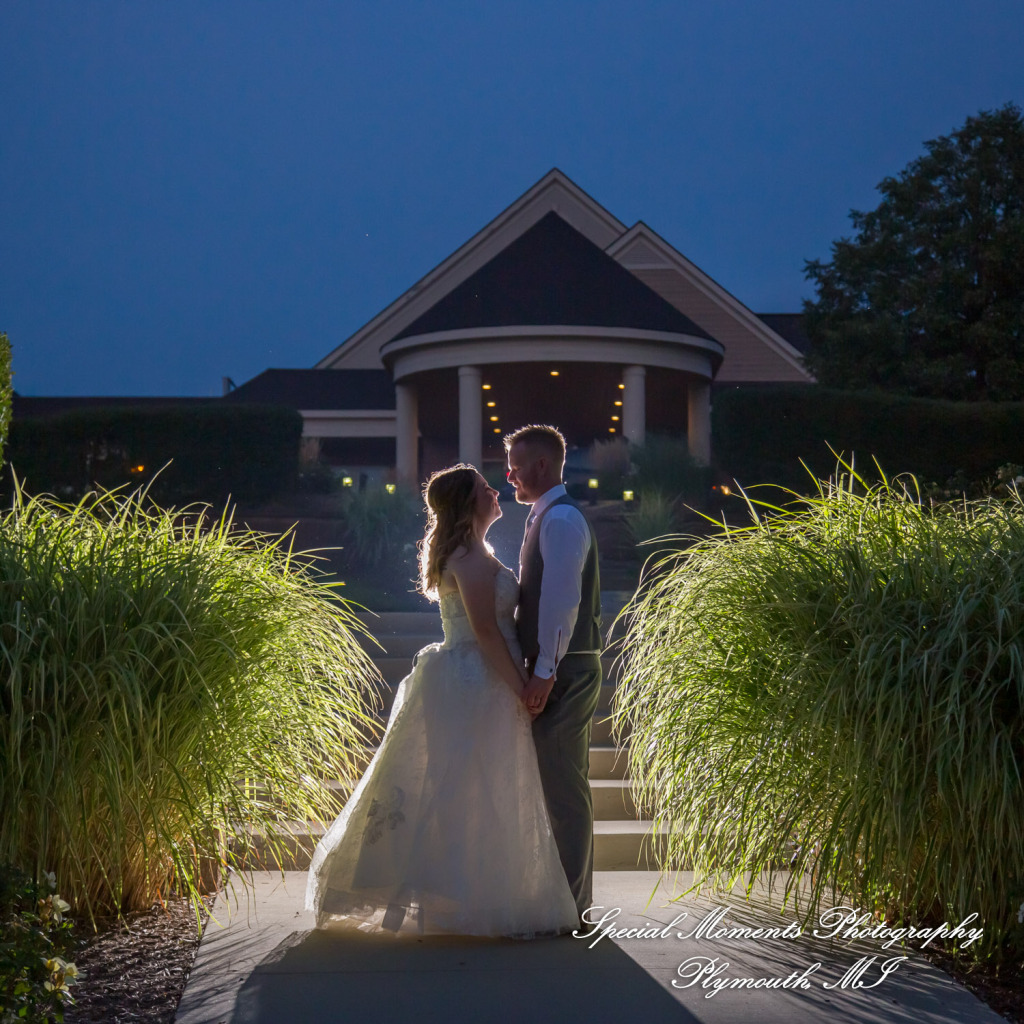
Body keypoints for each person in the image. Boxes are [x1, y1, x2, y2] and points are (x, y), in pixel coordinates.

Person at [304, 464, 579, 938]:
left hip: (484, 676)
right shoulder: (468, 555)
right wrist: (522, 686)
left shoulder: (477, 549)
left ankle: (469, 897)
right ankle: (463, 900)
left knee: (480, 788)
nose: (496, 492)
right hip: (476, 679)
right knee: (470, 787)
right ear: (468, 503)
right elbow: (486, 632)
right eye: (485, 489)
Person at [505, 425, 602, 921]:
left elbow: (563, 603)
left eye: (517, 466)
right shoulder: (545, 517)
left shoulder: (560, 521)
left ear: (541, 466)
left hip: (566, 670)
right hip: (558, 667)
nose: (510, 475)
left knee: (564, 790)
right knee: (560, 785)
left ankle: (572, 907)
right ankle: (565, 899)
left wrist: (544, 671)